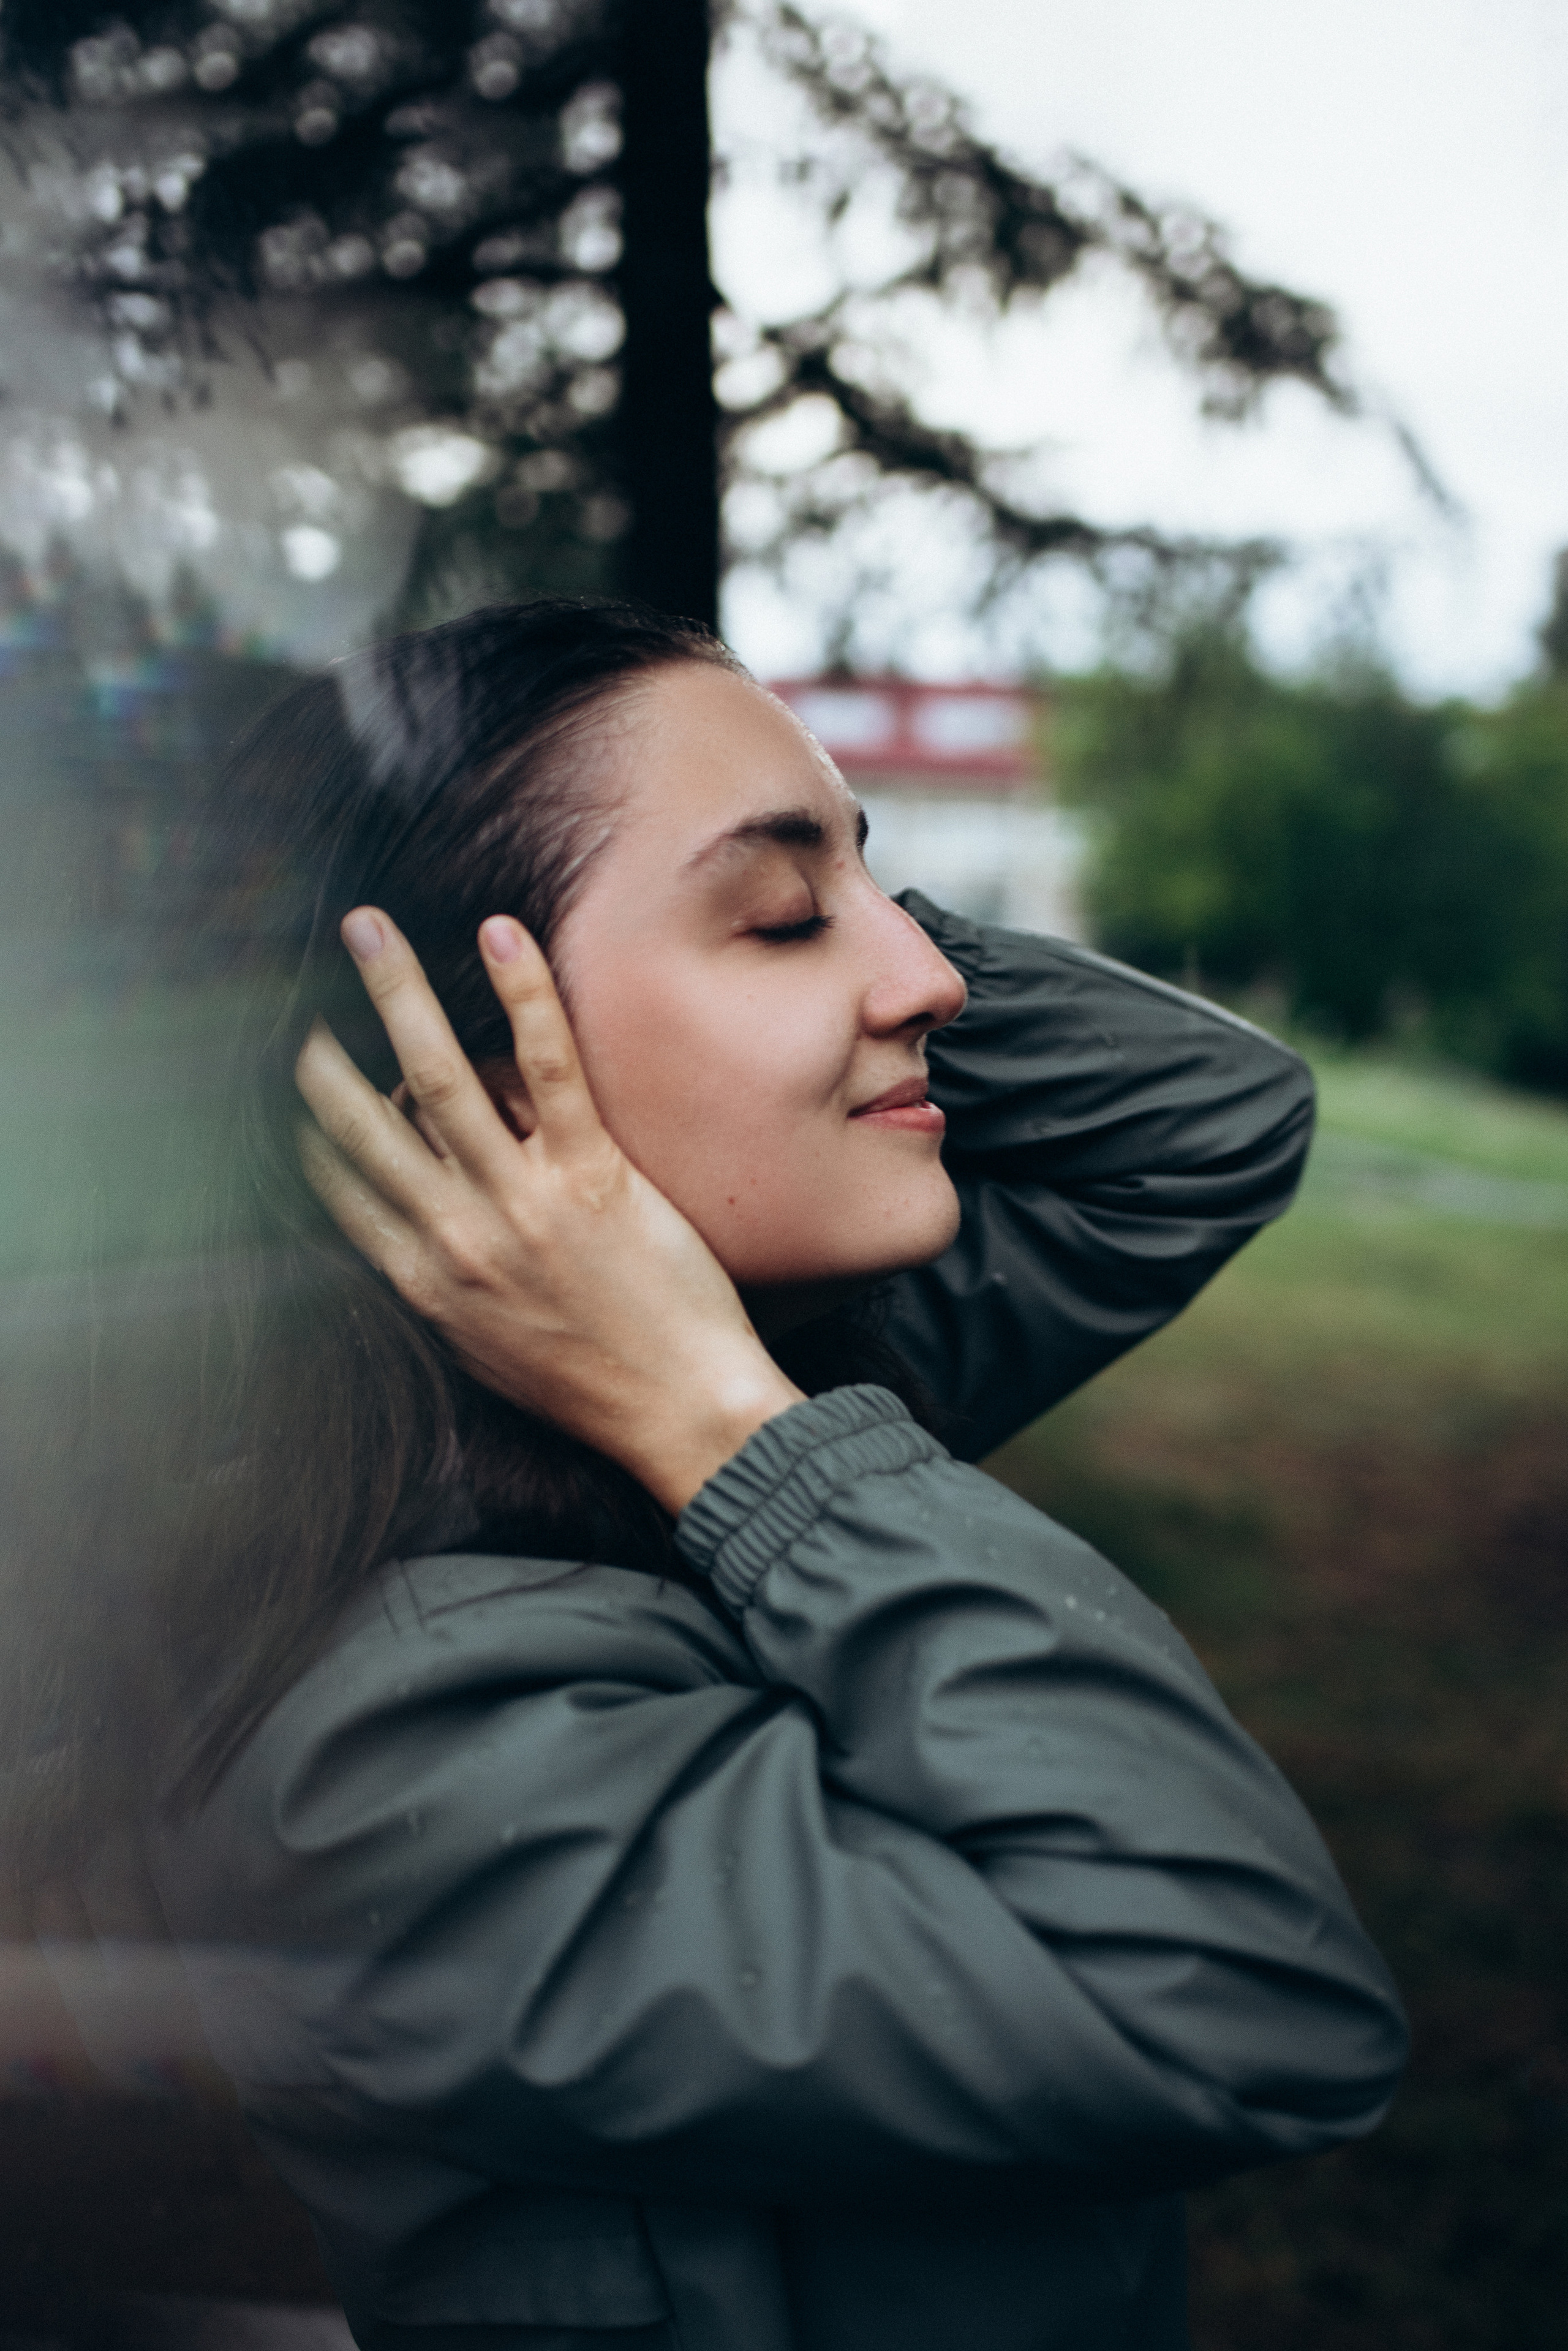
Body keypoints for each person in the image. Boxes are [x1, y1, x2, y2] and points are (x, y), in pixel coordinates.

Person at [21, 600, 1406, 2350]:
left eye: (878, 891)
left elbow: (1207, 1121)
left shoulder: (713, 1373)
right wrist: (726, 1433)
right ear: (457, 1063)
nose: (929, 978)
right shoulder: (386, 1745)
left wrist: (796, 842)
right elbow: (1241, 2003)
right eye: (781, 918)